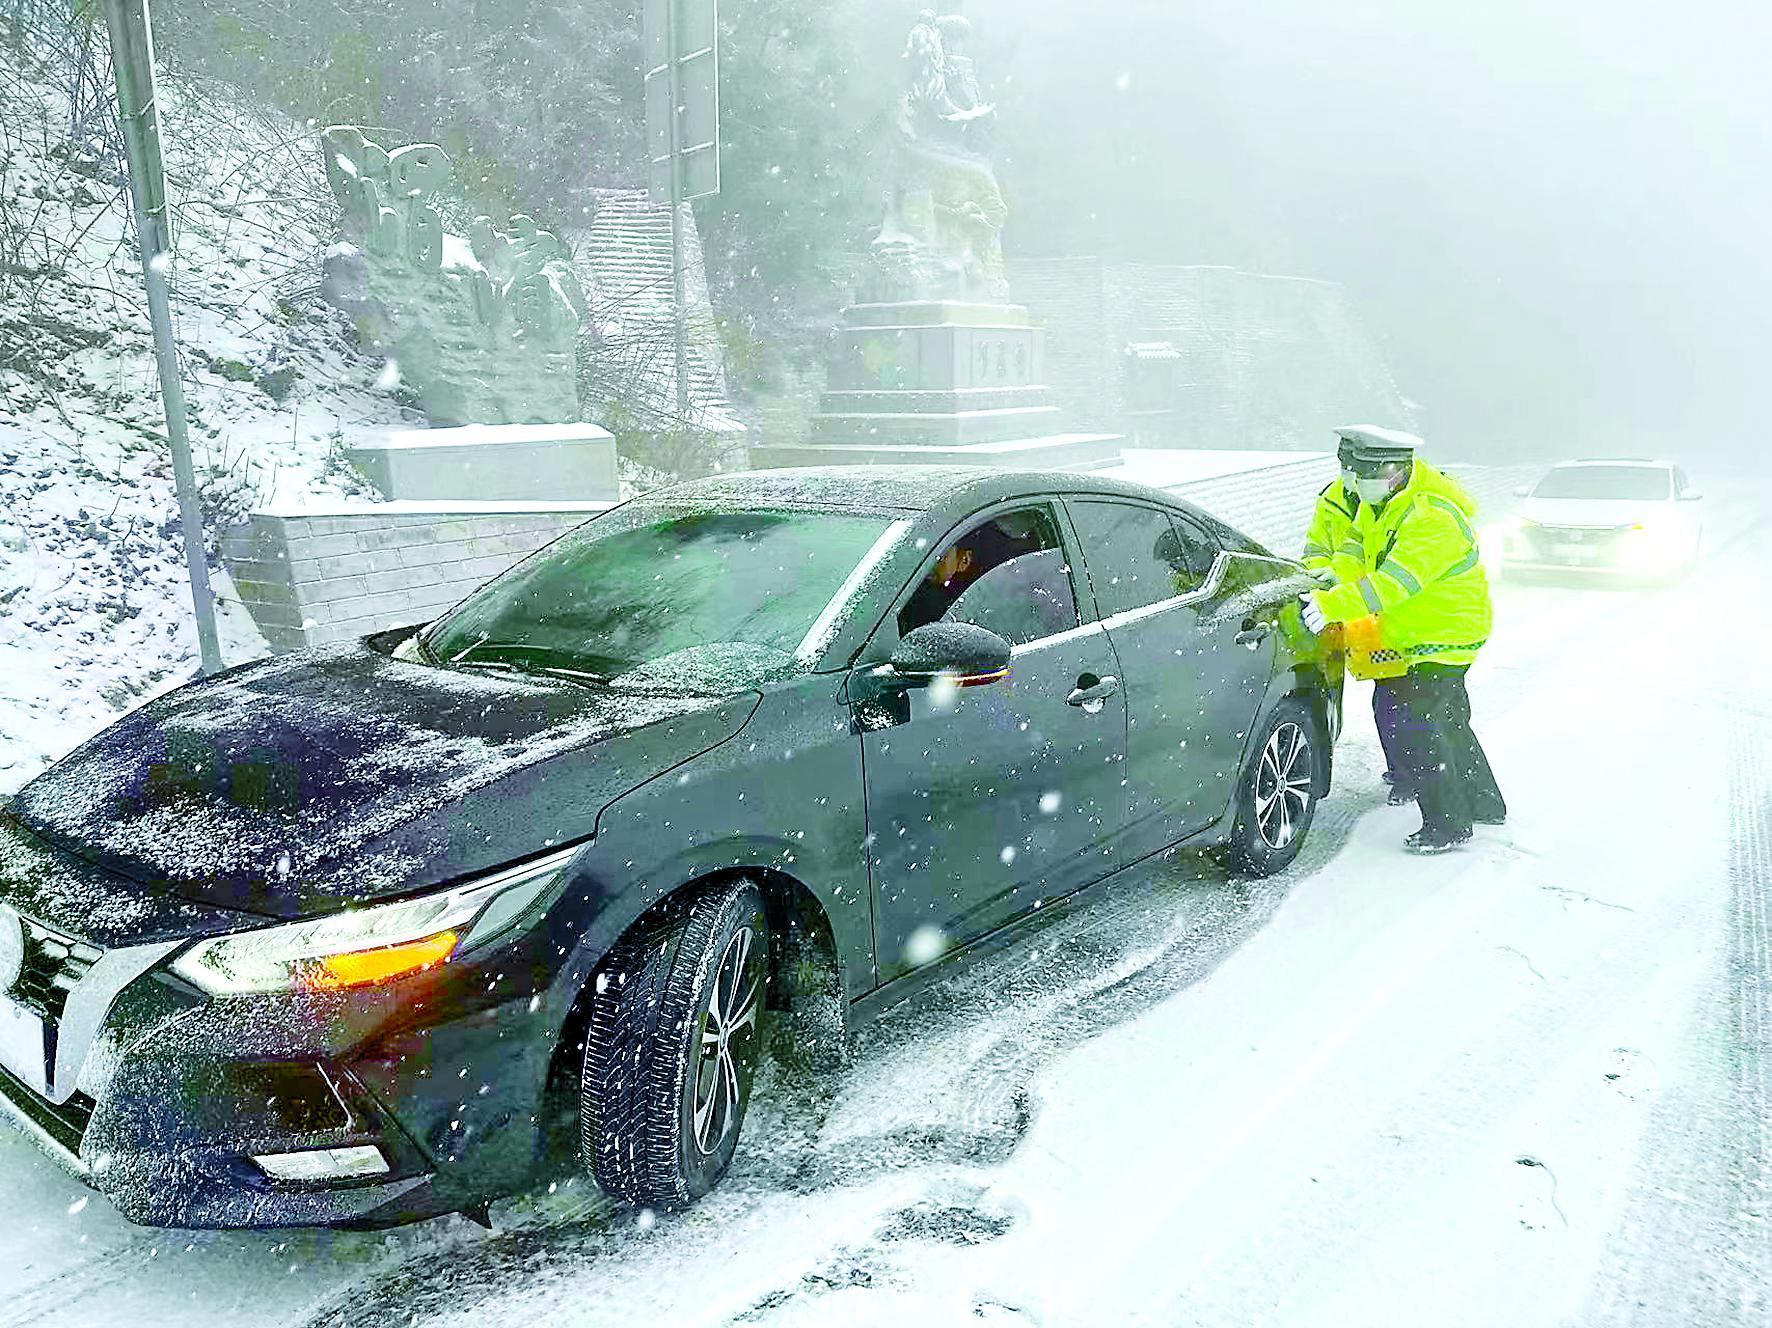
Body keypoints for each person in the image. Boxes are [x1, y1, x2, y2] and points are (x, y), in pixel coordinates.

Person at [1299, 427, 1507, 853]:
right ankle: (1484, 803)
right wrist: (1336, 572)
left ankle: (1447, 826)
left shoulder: (1432, 517)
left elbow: (1396, 582)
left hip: (1444, 632)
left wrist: (1335, 604)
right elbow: (1358, 544)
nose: (1355, 484)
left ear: (1393, 471)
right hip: (1417, 631)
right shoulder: (1388, 501)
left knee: (1419, 726)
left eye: (1362, 475)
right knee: (1446, 720)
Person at [1303, 432, 1414, 805]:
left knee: (1396, 699)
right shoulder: (1332, 500)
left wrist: (1343, 593)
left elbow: (1396, 571)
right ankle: (1405, 767)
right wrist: (1325, 579)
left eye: (1358, 468)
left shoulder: (1400, 502)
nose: (1351, 476)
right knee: (1382, 696)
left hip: (1392, 614)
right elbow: (1318, 549)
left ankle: (1407, 773)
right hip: (1353, 615)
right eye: (1347, 468)